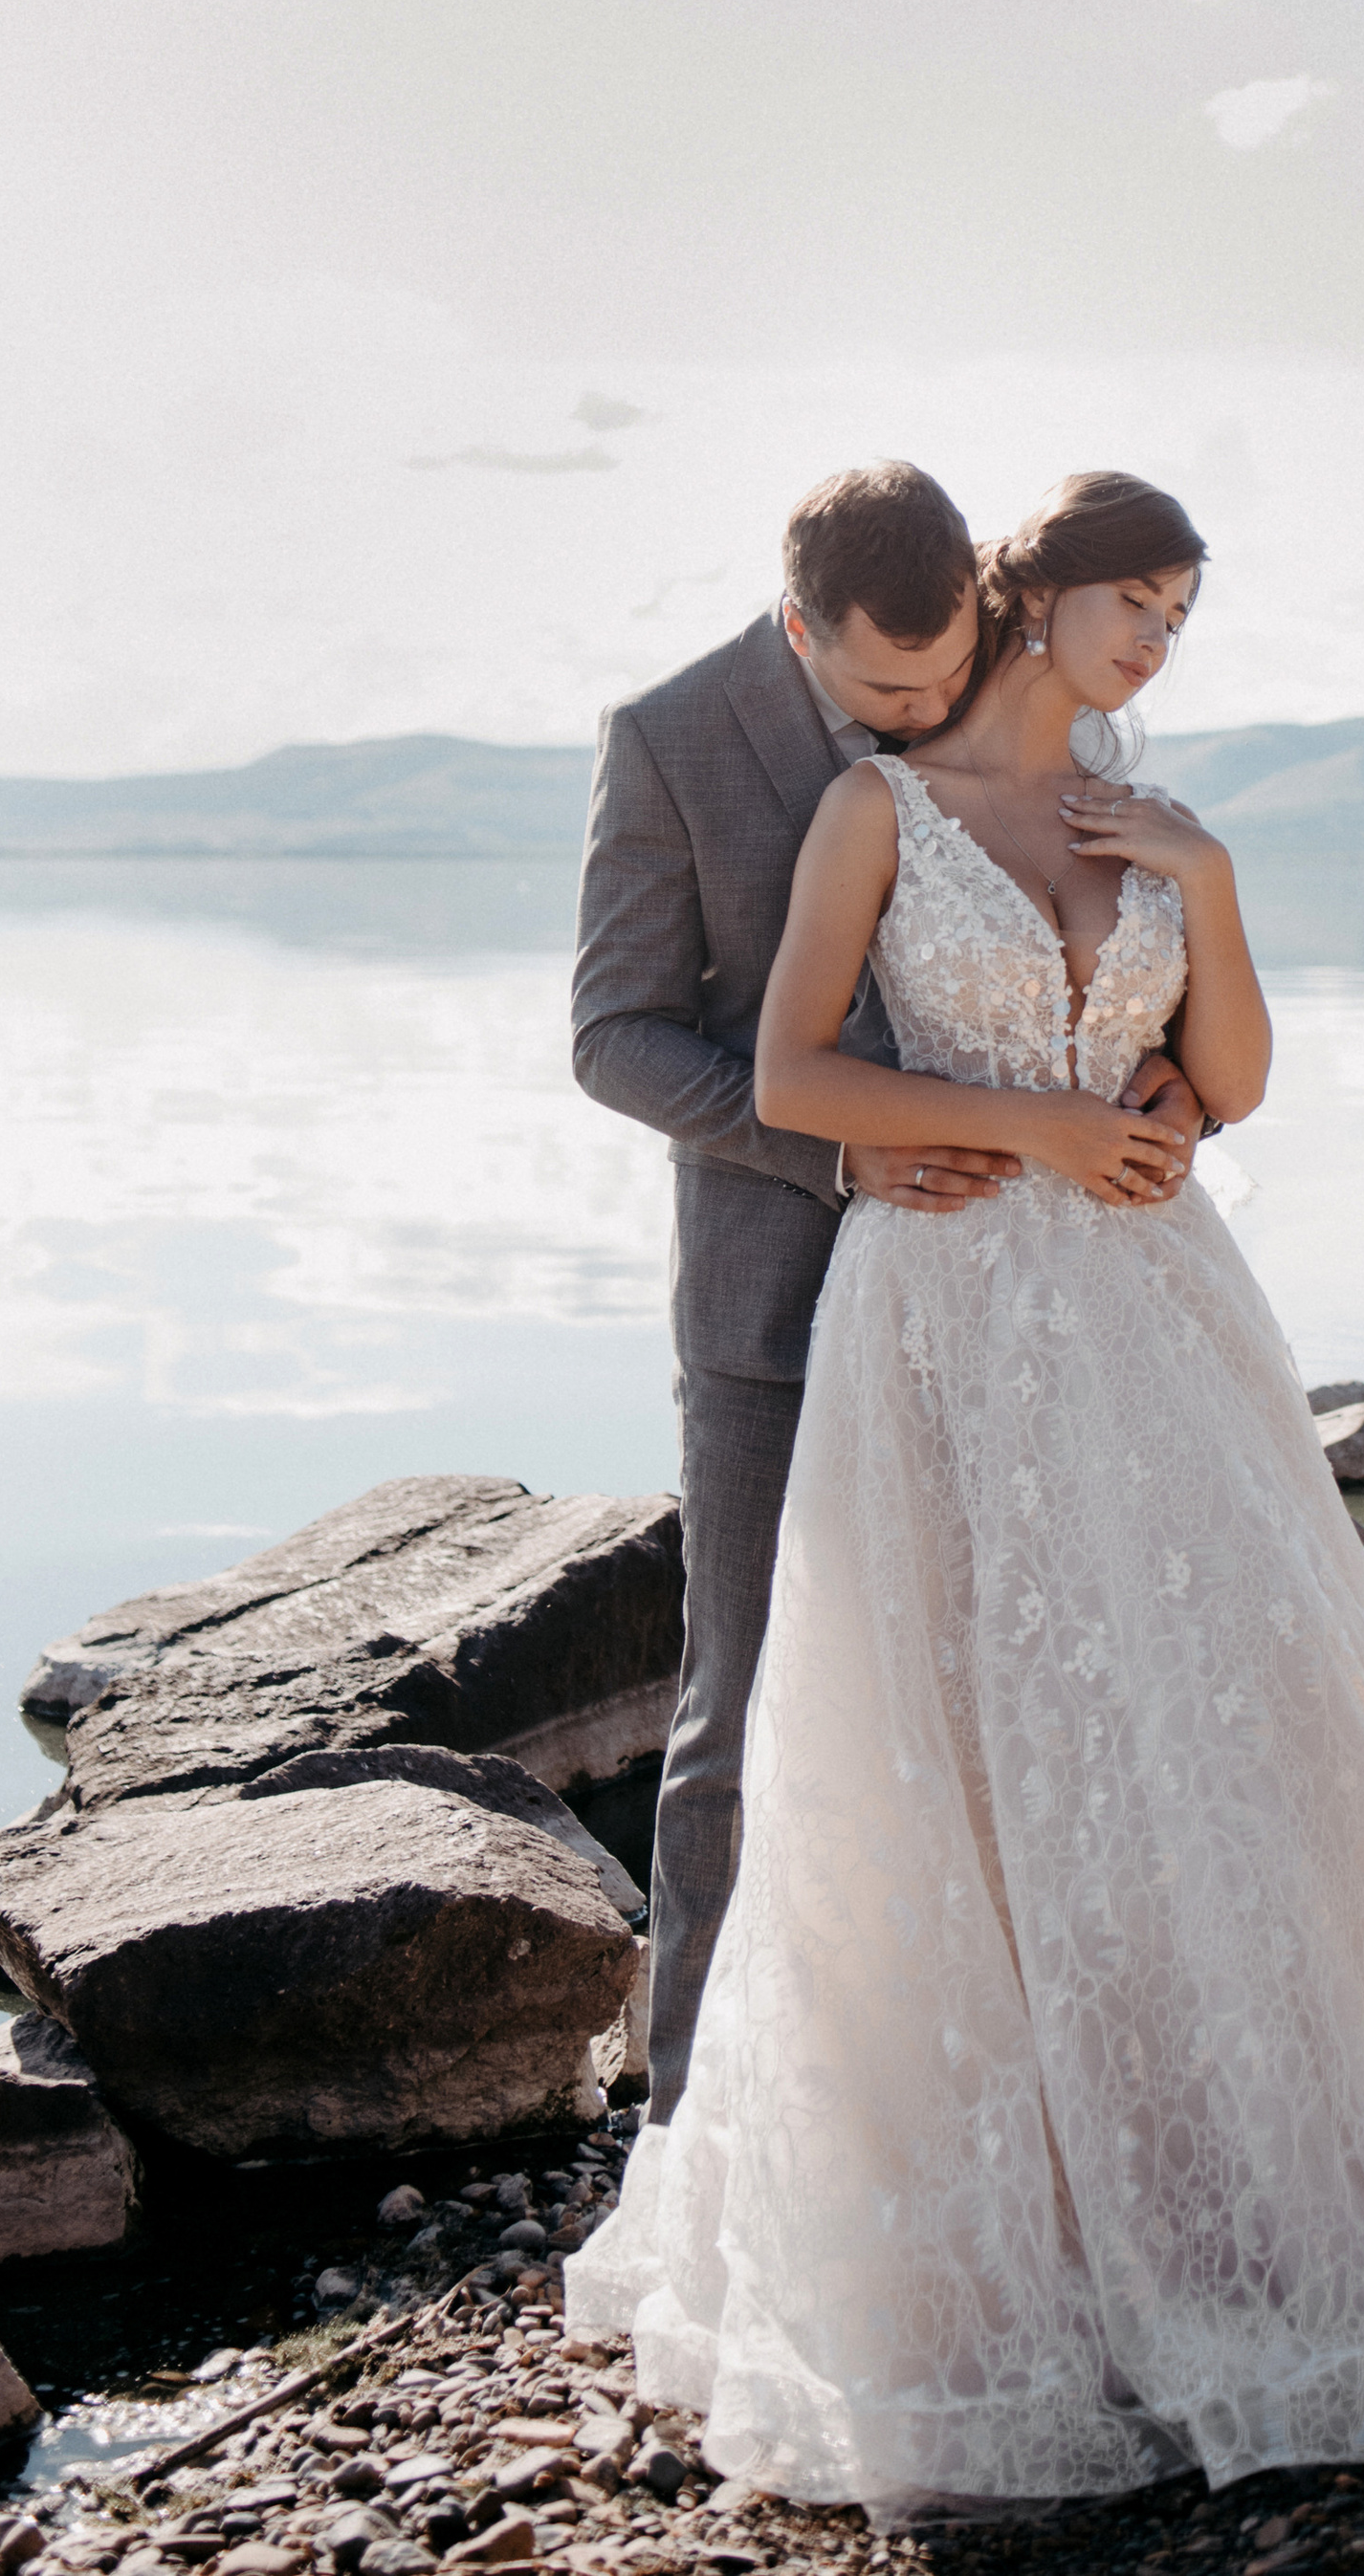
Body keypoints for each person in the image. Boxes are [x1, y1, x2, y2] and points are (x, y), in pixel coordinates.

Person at [567, 471, 1364, 2511]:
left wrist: (1200, 934)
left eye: (1182, 613)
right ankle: (777, 2163)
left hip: (1142, 1316)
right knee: (802, 1728)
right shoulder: (746, 763)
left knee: (1188, 1723)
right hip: (875, 1291)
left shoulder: (1123, 782)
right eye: (1141, 602)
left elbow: (1226, 1066)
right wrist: (974, 1134)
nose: (1152, 644)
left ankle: (1199, 2160)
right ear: (826, 631)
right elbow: (689, 1051)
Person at [570, 460, 1204, 2118]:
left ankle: (992, 2091)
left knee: (1015, 1681)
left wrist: (1171, 1099)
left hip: (1030, 1302)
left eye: (941, 677)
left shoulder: (1012, 703)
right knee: (747, 1699)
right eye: (882, 691)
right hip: (784, 1293)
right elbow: (615, 1035)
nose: (919, 714)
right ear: (798, 628)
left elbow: (1114, 963)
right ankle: (698, 2111)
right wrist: (843, 1156)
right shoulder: (670, 739)